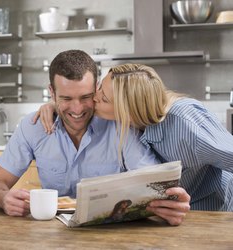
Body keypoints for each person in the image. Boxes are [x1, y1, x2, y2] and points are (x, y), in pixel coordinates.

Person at [0, 50, 190, 226]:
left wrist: (171, 203)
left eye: (85, 97)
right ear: (51, 93)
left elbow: (153, 181)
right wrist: (4, 198)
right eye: (66, 98)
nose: (77, 109)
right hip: (51, 236)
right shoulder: (33, 127)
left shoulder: (119, 126)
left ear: (97, 89)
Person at [36, 63, 233, 211]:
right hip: (175, 218)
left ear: (127, 111)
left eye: (103, 98)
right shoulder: (128, 125)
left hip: (216, 213)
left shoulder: (186, 124)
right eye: (99, 89)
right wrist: (60, 105)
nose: (94, 99)